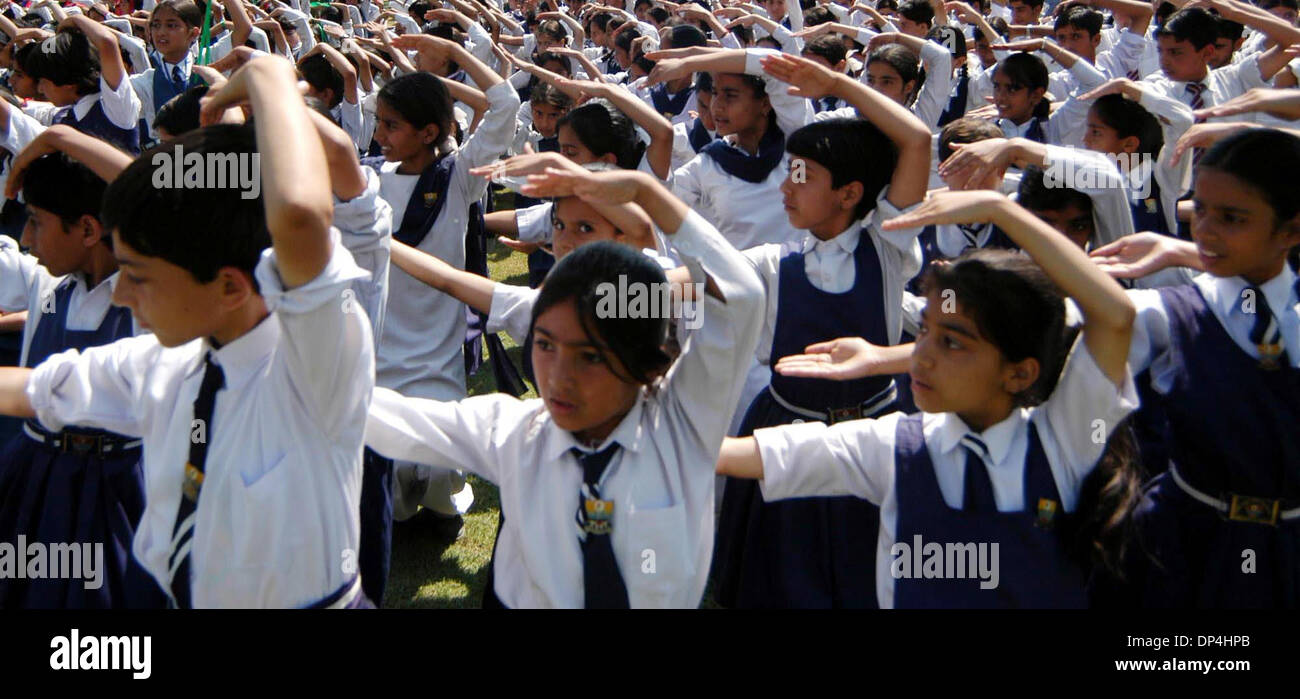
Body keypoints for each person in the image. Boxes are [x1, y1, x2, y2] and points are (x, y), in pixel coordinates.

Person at [0, 55, 374, 608]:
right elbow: (35, 387)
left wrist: (269, 77)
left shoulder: (312, 366)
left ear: (229, 287)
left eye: (138, 276)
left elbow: (299, 215)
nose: (121, 295)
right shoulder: (168, 364)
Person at [717, 188, 1139, 608]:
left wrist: (1002, 211)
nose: (921, 356)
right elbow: (764, 453)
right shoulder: (896, 446)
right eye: (923, 332)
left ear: (1020, 372)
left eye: (952, 343)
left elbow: (1115, 315)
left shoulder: (1061, 444)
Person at [364, 167, 765, 608]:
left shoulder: (681, 425)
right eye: (544, 345)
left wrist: (645, 190)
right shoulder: (516, 433)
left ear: (646, 366)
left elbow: (739, 292)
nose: (558, 376)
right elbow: (381, 417)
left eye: (590, 356)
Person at [712, 52, 931, 608]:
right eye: (788, 172)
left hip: (875, 433)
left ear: (851, 193)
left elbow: (917, 142)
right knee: (781, 574)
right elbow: (687, 285)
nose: (786, 188)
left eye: (803, 177)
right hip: (788, 435)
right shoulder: (771, 263)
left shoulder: (888, 245)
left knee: (867, 573)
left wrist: (835, 84)